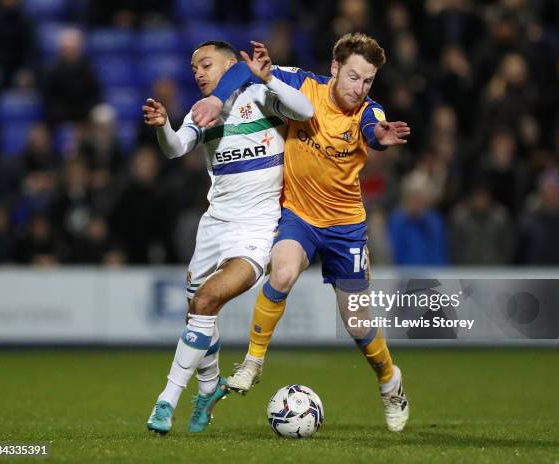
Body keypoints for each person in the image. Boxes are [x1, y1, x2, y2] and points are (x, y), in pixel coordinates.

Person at [191, 33, 411, 432]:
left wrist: (381, 137)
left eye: (368, 82)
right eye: (354, 77)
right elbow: (244, 70)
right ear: (334, 69)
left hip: (345, 227)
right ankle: (254, 362)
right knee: (284, 271)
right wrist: (216, 99)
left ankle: (389, 380)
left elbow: (372, 131)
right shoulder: (301, 84)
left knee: (358, 324)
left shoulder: (368, 111)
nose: (359, 88)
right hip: (300, 215)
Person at [142, 40, 313, 434]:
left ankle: (166, 400)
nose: (198, 73)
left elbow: (305, 110)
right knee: (198, 313)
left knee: (205, 301)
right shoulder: (202, 113)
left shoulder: (262, 96)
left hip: (256, 230)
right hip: (214, 226)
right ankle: (209, 388)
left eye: (205, 64)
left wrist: (265, 75)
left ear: (232, 65)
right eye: (194, 69)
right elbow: (175, 148)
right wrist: (163, 126)